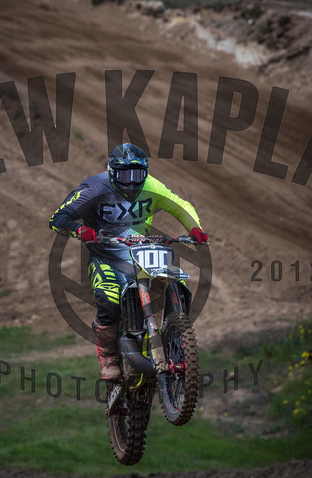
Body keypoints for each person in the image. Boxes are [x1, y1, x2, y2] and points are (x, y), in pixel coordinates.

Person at [49, 143, 208, 381]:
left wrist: (195, 228)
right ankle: (109, 355)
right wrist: (80, 230)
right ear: (112, 173)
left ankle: (174, 338)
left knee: (177, 282)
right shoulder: (95, 188)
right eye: (125, 175)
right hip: (106, 257)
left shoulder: (152, 186)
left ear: (145, 173)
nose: (132, 182)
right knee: (110, 298)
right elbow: (58, 217)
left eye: (138, 175)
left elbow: (181, 206)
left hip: (142, 252)